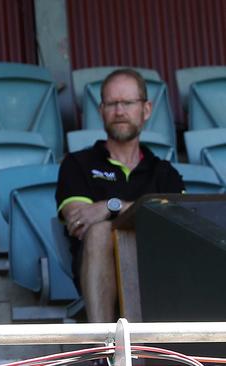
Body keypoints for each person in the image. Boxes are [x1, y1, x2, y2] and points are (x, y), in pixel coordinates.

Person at [55, 68, 185, 324]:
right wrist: (147, 214)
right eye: (112, 103)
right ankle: (105, 353)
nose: (119, 111)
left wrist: (111, 207)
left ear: (146, 110)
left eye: (127, 102)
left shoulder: (165, 173)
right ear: (101, 110)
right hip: (100, 276)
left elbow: (177, 228)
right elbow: (79, 222)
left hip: (158, 273)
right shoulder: (77, 164)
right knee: (100, 232)